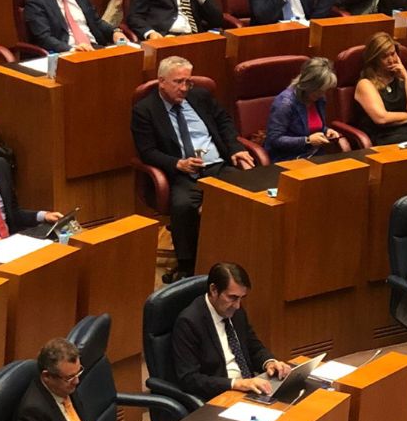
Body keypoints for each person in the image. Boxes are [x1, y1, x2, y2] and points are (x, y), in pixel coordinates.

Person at [132, 56, 254, 279]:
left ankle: (244, 253)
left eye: (188, 82)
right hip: (183, 174)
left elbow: (224, 122)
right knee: (183, 206)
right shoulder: (145, 110)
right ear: (161, 81)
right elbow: (147, 151)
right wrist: (177, 163)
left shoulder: (200, 97)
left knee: (249, 194)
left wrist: (236, 149)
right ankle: (189, 267)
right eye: (178, 82)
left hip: (217, 166)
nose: (184, 88)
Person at [171, 262, 291, 401]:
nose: (238, 305)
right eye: (232, 297)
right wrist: (236, 384)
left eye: (241, 298)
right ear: (214, 290)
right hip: (220, 396)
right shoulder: (189, 322)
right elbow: (190, 379)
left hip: (250, 389)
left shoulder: (235, 311)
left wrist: (269, 362)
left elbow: (254, 348)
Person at [353, 31, 407, 146]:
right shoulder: (365, 84)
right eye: (384, 56)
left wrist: (406, 76)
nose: (391, 60)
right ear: (374, 59)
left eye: (393, 54)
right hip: (384, 137)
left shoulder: (403, 79)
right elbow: (382, 118)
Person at [264, 57, 342, 162]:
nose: (322, 94)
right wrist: (307, 141)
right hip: (288, 158)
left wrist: (327, 130)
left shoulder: (319, 99)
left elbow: (313, 126)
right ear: (308, 85)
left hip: (314, 154)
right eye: (318, 91)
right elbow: (274, 139)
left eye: (324, 90)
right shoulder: (285, 103)